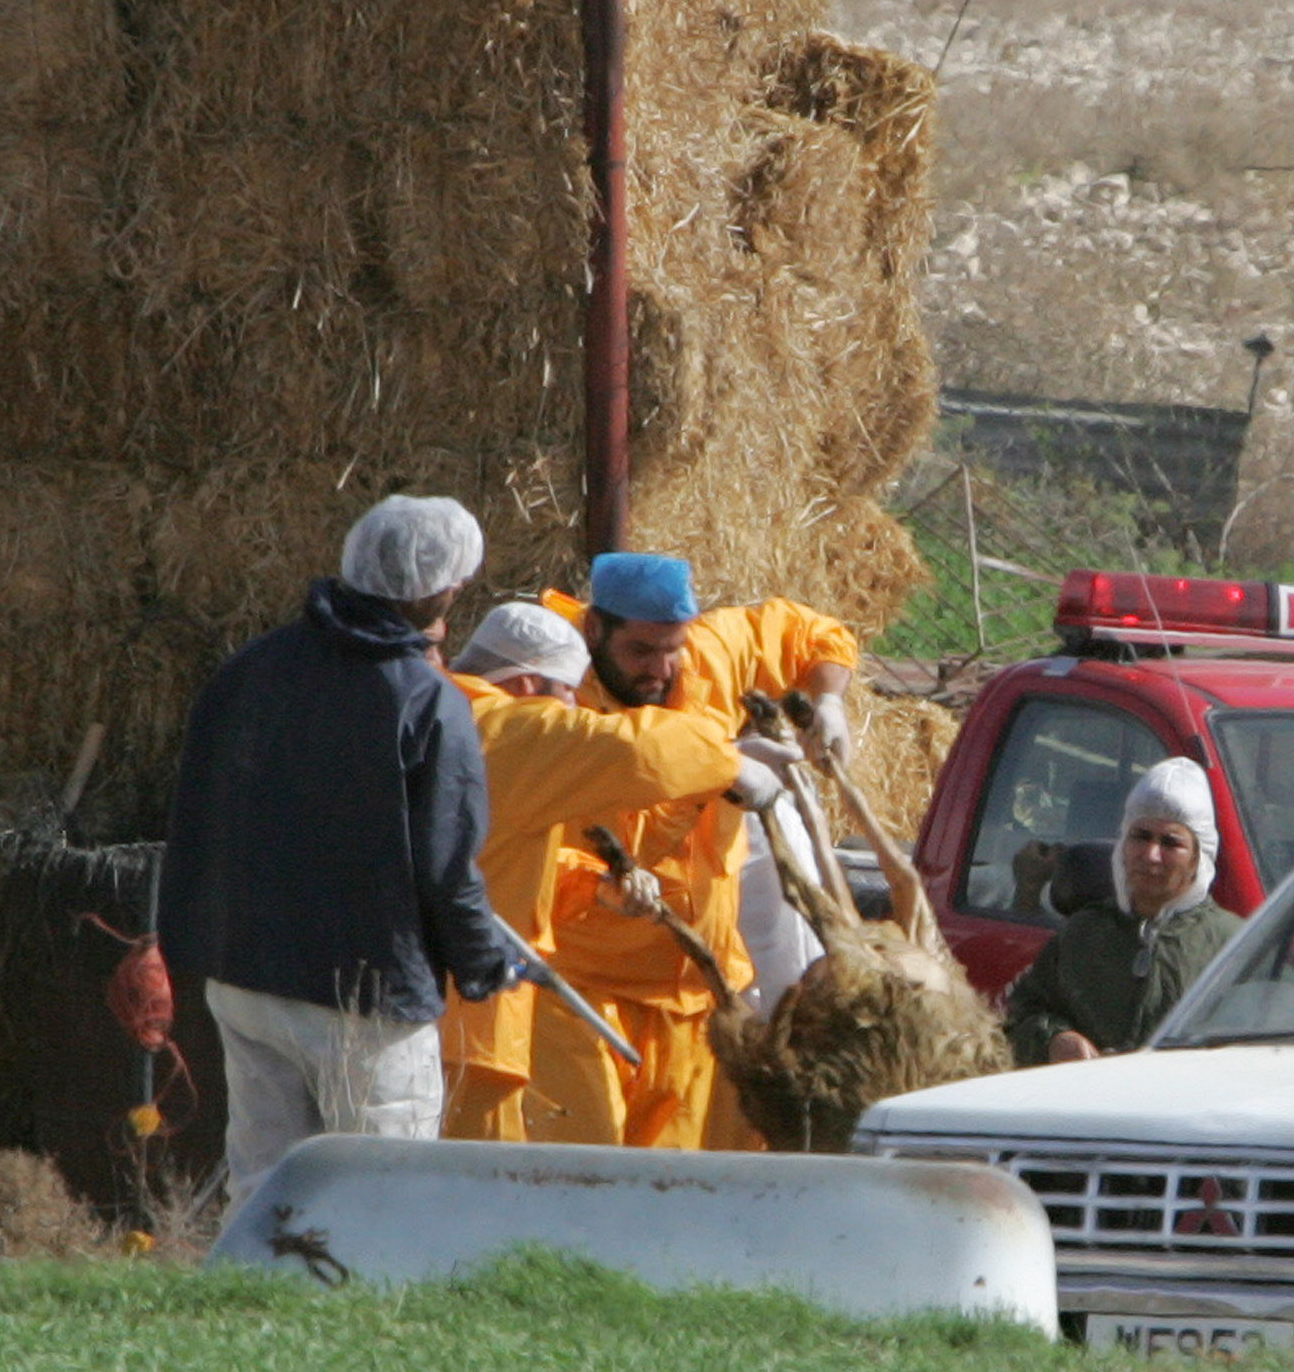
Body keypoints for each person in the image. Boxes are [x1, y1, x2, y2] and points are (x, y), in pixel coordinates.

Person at [158, 494, 520, 1217]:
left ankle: (252, 1310)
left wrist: (189, 940)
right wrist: (485, 962)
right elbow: (445, 867)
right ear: (437, 590)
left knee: (263, 1184)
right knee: (381, 1191)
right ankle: (372, 1325)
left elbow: (195, 813)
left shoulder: (249, 670)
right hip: (364, 997)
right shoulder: (425, 700)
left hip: (245, 975)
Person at [534, 553, 859, 1149]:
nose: (661, 669)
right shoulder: (555, 699)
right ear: (594, 629)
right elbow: (523, 845)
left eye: (672, 647)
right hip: (591, 992)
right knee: (590, 1173)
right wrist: (599, 885)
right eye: (641, 652)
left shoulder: (711, 654)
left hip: (700, 990)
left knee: (693, 1185)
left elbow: (817, 634)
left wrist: (828, 699)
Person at [436, 601, 760, 1142]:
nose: (573, 710)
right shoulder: (508, 732)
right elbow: (637, 751)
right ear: (525, 684)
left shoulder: (432, 714)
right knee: (483, 1192)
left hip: (408, 1007)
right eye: (567, 695)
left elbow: (490, 865)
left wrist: (592, 886)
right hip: (469, 1020)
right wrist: (732, 761)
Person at [1005, 757, 1242, 1065]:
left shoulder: (1234, 946)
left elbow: (1280, 1036)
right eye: (1140, 836)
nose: (1151, 855)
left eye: (1170, 843)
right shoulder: (1083, 934)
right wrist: (1053, 1040)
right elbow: (1018, 1016)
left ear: (1199, 858)